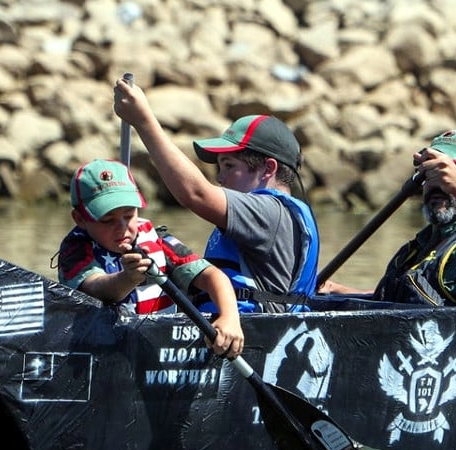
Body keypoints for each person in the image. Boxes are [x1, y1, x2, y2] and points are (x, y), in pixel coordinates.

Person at [112, 80, 318, 313]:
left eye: (229, 166)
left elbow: (196, 194)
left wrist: (143, 121)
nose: (220, 178)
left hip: (246, 337)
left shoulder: (269, 211)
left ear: (268, 169)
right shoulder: (276, 215)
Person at [319, 129, 456, 307]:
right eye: (429, 172)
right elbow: (393, 304)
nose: (438, 182)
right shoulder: (415, 248)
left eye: (449, 172)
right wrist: (335, 290)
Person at [57, 158, 244, 359]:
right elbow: (96, 289)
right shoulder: (74, 251)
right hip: (102, 354)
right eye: (108, 220)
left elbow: (212, 275)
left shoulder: (157, 240)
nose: (122, 227)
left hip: (157, 351)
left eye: (129, 215)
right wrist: (128, 278)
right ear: (80, 219)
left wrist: (230, 317)